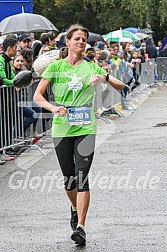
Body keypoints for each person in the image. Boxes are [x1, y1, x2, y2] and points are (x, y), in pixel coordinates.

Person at [33, 24, 124, 246]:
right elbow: (37, 95)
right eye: (77, 39)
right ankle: (74, 208)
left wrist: (103, 77)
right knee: (69, 178)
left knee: (82, 177)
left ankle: (81, 227)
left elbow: (120, 86)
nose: (81, 42)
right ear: (68, 42)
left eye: (84, 39)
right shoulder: (55, 67)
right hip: (62, 127)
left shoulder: (91, 67)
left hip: (85, 129)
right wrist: (54, 108)